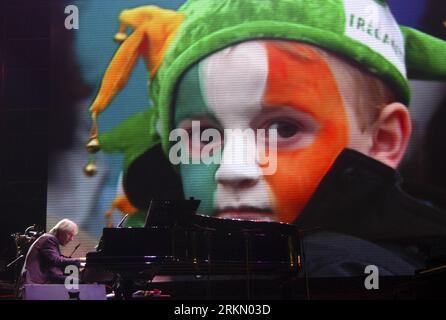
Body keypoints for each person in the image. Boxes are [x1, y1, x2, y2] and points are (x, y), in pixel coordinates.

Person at [86, 0, 446, 277]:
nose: (232, 169)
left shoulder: (340, 269)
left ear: (384, 139)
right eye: (204, 136)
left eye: (283, 130)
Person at [20, 219, 82, 285]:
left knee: (75, 280)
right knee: (80, 282)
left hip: (41, 277)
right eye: (70, 234)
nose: (71, 239)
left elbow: (56, 258)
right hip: (38, 280)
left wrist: (81, 262)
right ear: (61, 231)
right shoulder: (49, 239)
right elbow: (57, 260)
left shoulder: (48, 238)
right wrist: (80, 261)